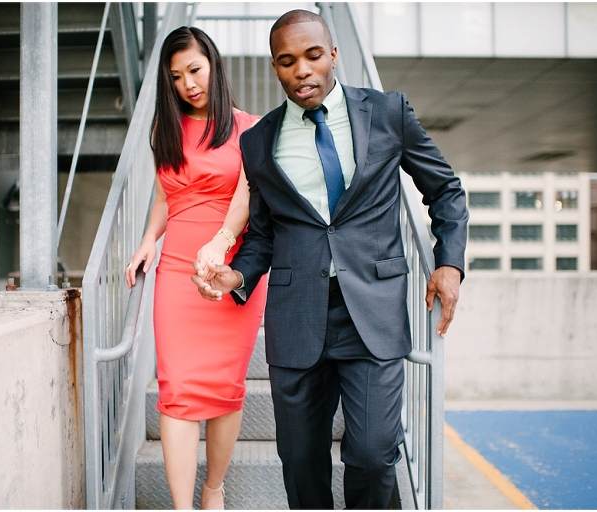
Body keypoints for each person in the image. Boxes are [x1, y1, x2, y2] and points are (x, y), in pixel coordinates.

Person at [191, 9, 468, 510]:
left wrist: (448, 263)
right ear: (275, 68)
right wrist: (237, 274)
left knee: (374, 453)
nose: (302, 70)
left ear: (334, 55)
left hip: (373, 310)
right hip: (298, 318)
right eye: (287, 61)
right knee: (300, 461)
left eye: (313, 56)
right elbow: (264, 235)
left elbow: (445, 189)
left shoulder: (388, 113)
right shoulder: (258, 142)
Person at [124, 26, 267, 510]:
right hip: (177, 272)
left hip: (228, 266)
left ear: (213, 65)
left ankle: (213, 490)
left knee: (226, 388)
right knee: (177, 390)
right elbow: (167, 194)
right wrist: (148, 240)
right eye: (177, 76)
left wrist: (221, 246)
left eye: (195, 70)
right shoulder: (165, 131)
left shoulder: (250, 127)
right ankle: (183, 506)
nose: (188, 83)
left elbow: (248, 195)